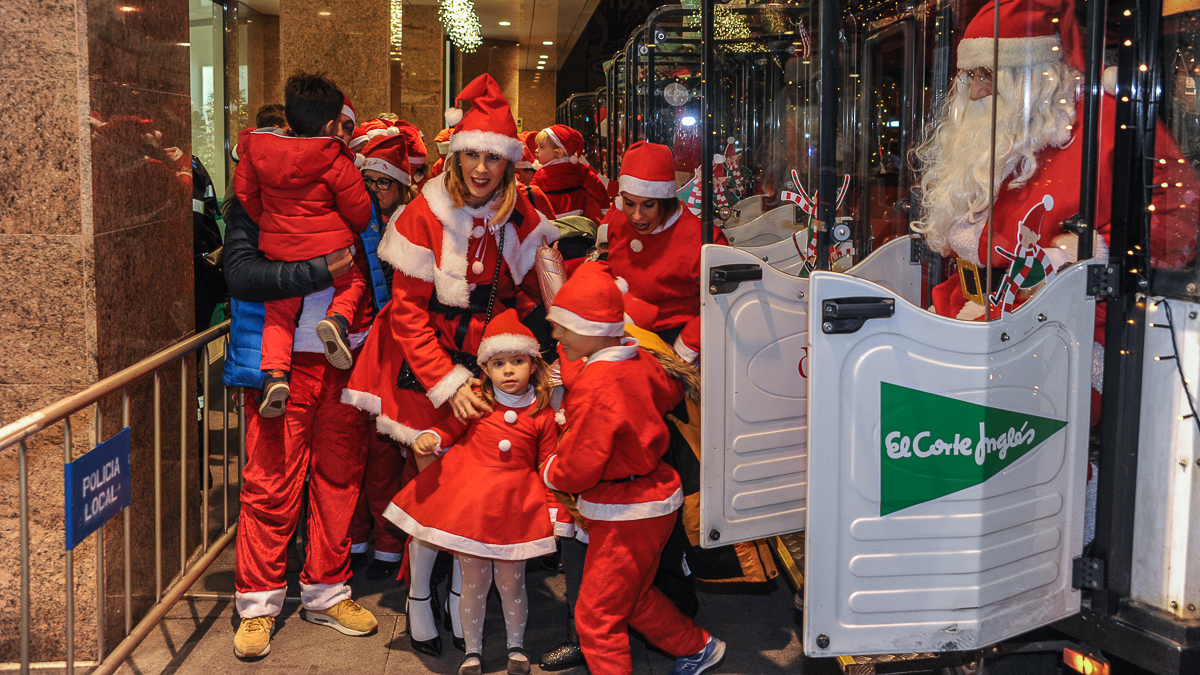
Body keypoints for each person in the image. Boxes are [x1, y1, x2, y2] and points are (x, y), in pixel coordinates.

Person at [340, 72, 559, 657]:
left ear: (510, 162)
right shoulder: (423, 214)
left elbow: (528, 298)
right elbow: (407, 314)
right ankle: (418, 599)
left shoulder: (520, 216)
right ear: (456, 155)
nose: (482, 167)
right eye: (472, 154)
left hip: (485, 365)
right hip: (420, 363)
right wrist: (447, 382)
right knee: (432, 480)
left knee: (474, 483)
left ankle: (464, 595)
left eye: (493, 156)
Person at [912, 0, 1197, 418]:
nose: (974, 92)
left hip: (1059, 333)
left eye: (986, 76)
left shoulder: (1107, 125)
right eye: (968, 76)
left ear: (1029, 76)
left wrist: (1084, 251)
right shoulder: (992, 131)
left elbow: (1179, 220)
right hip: (973, 312)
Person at [221, 149, 392, 660]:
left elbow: (373, 276)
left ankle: (327, 590)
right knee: (270, 483)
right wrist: (317, 268)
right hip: (280, 366)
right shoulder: (258, 205)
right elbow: (241, 275)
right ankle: (257, 605)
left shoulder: (356, 202)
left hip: (344, 364)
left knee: (340, 479)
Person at [542, 261, 725, 675]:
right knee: (635, 597)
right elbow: (665, 395)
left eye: (564, 327)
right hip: (652, 499)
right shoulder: (637, 360)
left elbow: (582, 465)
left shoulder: (597, 382)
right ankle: (698, 647)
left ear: (590, 328)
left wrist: (552, 469)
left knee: (596, 617)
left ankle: (697, 648)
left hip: (625, 509)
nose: (556, 336)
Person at [384, 309, 557, 675]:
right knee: (475, 581)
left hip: (517, 508)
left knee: (512, 582)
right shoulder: (479, 399)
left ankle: (516, 648)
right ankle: (473, 652)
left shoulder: (541, 411)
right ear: (486, 369)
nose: (509, 370)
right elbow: (451, 428)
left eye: (517, 361)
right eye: (499, 363)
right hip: (473, 505)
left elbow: (547, 464)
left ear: (533, 363)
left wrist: (553, 508)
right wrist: (434, 438)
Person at [233, 72, 372, 418]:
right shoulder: (338, 161)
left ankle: (276, 375)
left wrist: (268, 221)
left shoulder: (257, 151)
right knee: (352, 281)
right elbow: (359, 214)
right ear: (330, 125)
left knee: (278, 314)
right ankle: (337, 321)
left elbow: (247, 196)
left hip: (278, 251)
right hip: (329, 248)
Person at [347, 133, 417, 579]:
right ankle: (357, 539)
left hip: (401, 352)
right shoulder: (353, 222)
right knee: (358, 452)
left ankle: (390, 545)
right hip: (360, 348)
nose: (375, 191)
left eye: (383, 183)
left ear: (402, 186)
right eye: (367, 182)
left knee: (391, 452)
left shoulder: (414, 224)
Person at [606, 141, 729, 364]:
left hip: (671, 340)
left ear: (666, 199)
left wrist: (685, 348)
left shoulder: (701, 239)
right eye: (629, 203)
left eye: (649, 205)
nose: (636, 216)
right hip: (619, 329)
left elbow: (722, 302)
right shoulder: (617, 219)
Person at [531, 124, 609, 221]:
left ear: (558, 152)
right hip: (580, 219)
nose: (536, 150)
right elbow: (598, 188)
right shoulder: (579, 169)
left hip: (552, 221)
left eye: (541, 147)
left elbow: (532, 198)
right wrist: (605, 208)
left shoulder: (540, 175)